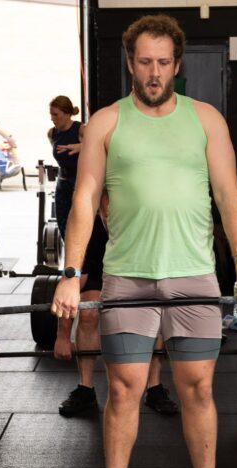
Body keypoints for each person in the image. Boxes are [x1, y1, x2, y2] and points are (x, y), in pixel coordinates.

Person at [51, 14, 237, 468]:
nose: (154, 73)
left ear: (177, 64)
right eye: (145, 62)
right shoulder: (106, 123)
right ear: (130, 63)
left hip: (194, 276)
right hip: (128, 277)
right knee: (124, 389)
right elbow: (84, 200)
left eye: (163, 63)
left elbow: (229, 197)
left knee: (199, 388)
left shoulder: (206, 120)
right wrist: (71, 275)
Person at [48, 96, 177, 417]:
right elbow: (72, 283)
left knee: (156, 314)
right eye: (104, 203)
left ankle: (154, 388)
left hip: (138, 266)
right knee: (89, 314)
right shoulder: (89, 225)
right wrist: (62, 336)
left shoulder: (140, 210)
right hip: (103, 268)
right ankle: (85, 389)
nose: (107, 209)